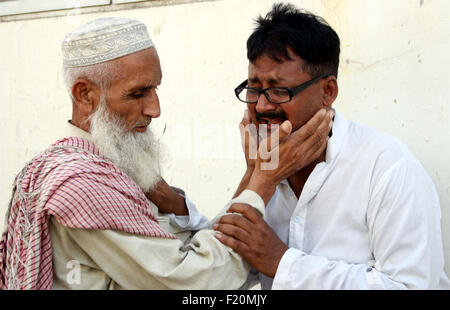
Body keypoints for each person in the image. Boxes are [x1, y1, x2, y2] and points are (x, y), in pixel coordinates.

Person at [0, 17, 333, 290]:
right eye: (138, 93)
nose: (155, 109)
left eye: (155, 89)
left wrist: (251, 176)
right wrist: (264, 180)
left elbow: (190, 251)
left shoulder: (103, 166)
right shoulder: (82, 184)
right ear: (85, 95)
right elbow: (196, 282)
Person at [213, 3, 450, 289]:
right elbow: (217, 279)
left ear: (328, 91)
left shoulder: (388, 168)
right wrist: (255, 178)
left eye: (279, 90)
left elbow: (412, 285)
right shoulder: (266, 170)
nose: (262, 105)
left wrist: (282, 263)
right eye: (254, 89)